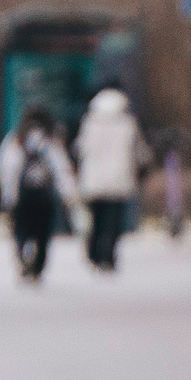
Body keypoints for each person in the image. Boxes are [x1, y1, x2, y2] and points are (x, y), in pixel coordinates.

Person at [0, 107, 80, 282]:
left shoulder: (15, 140)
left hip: (22, 198)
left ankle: (23, 257)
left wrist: (7, 196)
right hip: (43, 199)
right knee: (42, 235)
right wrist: (69, 195)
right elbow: (61, 170)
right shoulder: (50, 142)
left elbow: (5, 169)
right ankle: (37, 269)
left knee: (21, 232)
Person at [72, 87, 150, 273]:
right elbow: (139, 152)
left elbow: (79, 149)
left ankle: (94, 254)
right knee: (113, 222)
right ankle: (109, 256)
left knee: (96, 220)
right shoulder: (128, 124)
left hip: (93, 181)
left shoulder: (89, 123)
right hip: (119, 180)